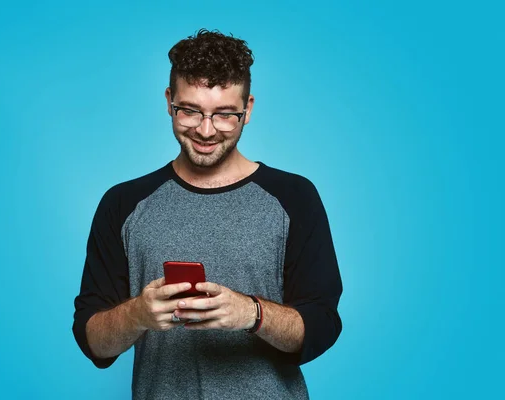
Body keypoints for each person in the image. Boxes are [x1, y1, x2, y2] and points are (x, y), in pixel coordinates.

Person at [72, 28, 343, 399]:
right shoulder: (122, 204)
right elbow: (93, 342)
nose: (205, 130)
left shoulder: (295, 197)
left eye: (224, 115)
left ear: (247, 110)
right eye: (190, 110)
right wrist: (137, 314)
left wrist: (252, 314)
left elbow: (323, 326)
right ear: (169, 101)